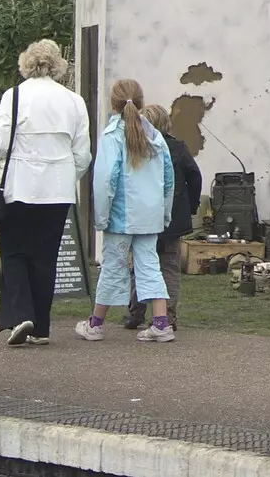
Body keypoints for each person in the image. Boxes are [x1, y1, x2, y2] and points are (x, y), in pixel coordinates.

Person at [0, 39, 92, 347]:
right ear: (58, 65)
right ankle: (41, 327)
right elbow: (83, 154)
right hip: (58, 189)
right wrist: (65, 176)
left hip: (19, 186)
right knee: (46, 257)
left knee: (13, 251)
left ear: (26, 64)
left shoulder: (15, 96)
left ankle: (22, 313)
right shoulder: (73, 101)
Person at [76, 79, 175, 343]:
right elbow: (168, 178)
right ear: (141, 102)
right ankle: (161, 323)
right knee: (150, 266)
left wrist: (101, 217)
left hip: (121, 216)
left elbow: (106, 179)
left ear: (113, 104)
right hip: (149, 215)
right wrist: (165, 212)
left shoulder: (112, 136)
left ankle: (95, 324)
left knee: (113, 267)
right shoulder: (155, 136)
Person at [123, 104, 202, 332]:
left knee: (139, 264)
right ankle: (167, 315)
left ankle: (135, 312)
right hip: (172, 219)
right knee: (169, 267)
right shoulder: (177, 148)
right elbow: (195, 177)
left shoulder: (135, 148)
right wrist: (191, 206)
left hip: (142, 217)